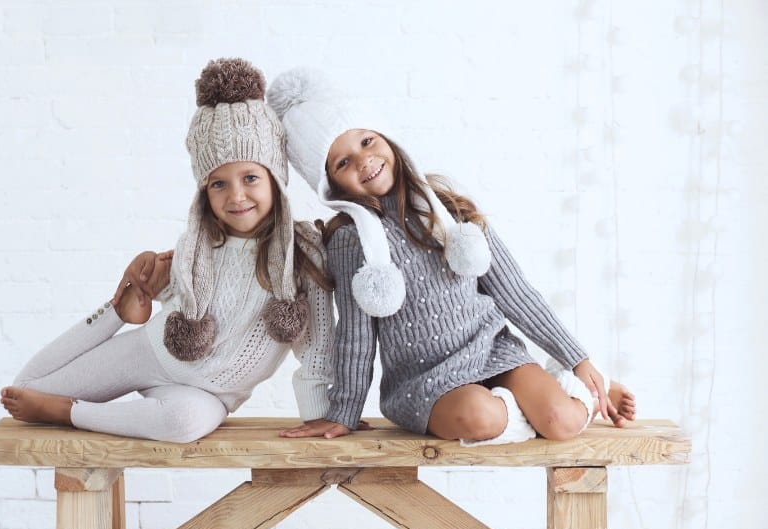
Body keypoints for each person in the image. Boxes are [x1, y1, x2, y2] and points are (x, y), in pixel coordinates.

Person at [266, 68, 635, 444]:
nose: (363, 160)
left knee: (563, 422)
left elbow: (516, 293)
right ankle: (524, 409)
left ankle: (587, 390)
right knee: (480, 418)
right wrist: (343, 412)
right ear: (330, 184)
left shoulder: (449, 210)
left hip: (493, 351)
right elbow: (355, 335)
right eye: (342, 162)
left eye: (367, 141)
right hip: (424, 381)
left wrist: (577, 358)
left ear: (387, 139)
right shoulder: (350, 241)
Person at [0, 58, 334, 442]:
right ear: (204, 192)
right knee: (27, 388)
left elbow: (317, 347)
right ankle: (117, 315)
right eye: (218, 184)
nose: (236, 196)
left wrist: (317, 414)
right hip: (149, 352)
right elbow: (174, 292)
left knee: (184, 424)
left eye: (250, 177)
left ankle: (72, 413)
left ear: (275, 179)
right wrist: (139, 292)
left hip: (207, 395)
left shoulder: (303, 255)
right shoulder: (198, 246)